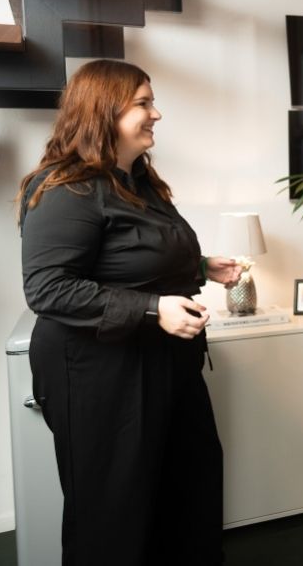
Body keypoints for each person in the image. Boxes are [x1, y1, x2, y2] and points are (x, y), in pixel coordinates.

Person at [17, 59, 242, 566]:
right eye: (143, 103)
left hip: (166, 365)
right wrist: (151, 308)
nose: (156, 114)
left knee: (188, 490)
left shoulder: (138, 180)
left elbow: (136, 258)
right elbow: (48, 288)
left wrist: (202, 266)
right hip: (100, 374)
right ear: (103, 111)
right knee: (114, 514)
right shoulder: (65, 188)